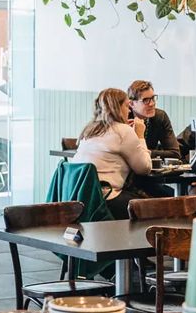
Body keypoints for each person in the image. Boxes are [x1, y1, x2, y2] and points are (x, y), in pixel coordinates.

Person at [71, 86, 152, 217]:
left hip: (79, 196)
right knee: (156, 209)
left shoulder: (89, 130)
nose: (129, 110)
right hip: (105, 197)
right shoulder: (123, 131)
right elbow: (144, 168)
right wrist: (140, 136)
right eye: (127, 106)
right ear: (118, 108)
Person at [127, 80, 180, 156]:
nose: (152, 104)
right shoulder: (123, 117)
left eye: (153, 98)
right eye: (146, 100)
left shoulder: (160, 117)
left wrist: (144, 153)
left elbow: (175, 153)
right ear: (132, 104)